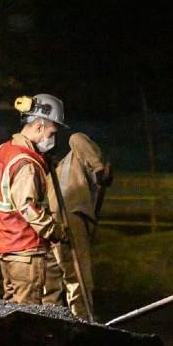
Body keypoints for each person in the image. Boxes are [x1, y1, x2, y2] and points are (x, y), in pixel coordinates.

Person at [0, 93, 67, 304]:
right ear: (39, 126)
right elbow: (27, 207)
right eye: (52, 131)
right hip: (26, 251)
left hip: (5, 246)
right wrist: (55, 230)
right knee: (26, 317)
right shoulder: (27, 164)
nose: (54, 137)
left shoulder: (2, 151)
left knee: (10, 313)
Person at [43, 132, 112, 318]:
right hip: (56, 216)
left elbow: (76, 139)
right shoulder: (64, 164)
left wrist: (98, 168)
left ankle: (71, 315)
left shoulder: (79, 157)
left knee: (65, 269)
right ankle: (65, 316)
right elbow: (76, 138)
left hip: (66, 213)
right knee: (64, 269)